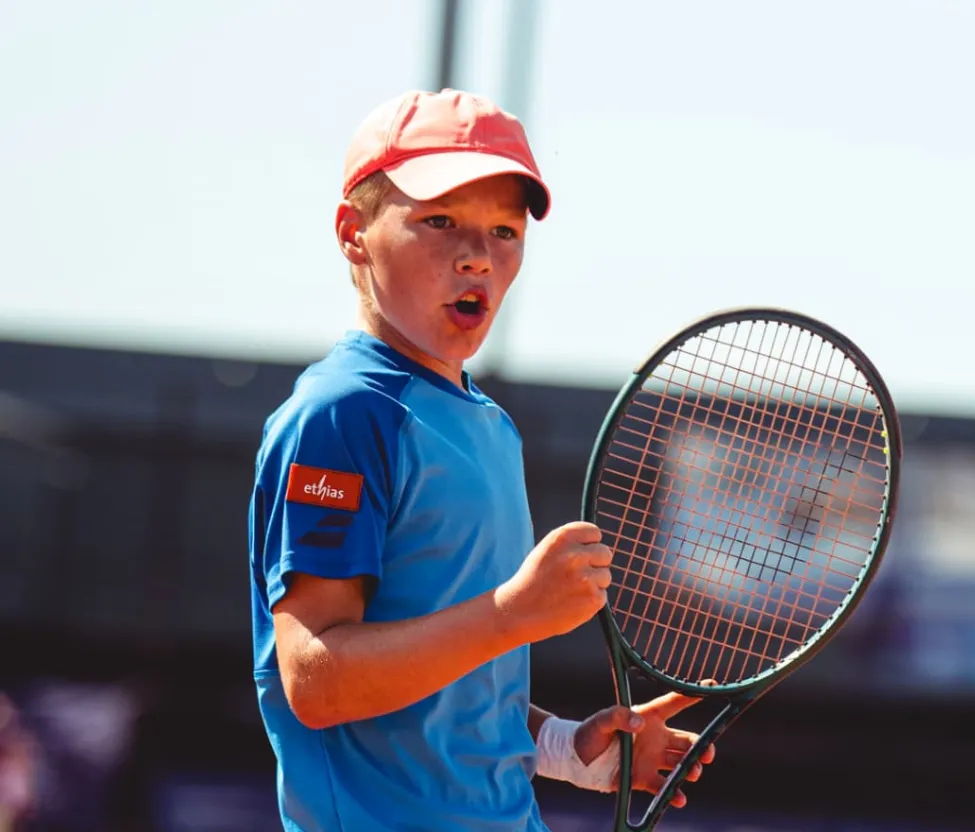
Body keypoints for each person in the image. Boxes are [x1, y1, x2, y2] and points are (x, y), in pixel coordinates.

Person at [246, 88, 715, 831]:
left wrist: (565, 748)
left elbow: (453, 682)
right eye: (439, 222)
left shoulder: (490, 426)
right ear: (352, 233)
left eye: (505, 231)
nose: (478, 256)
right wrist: (513, 614)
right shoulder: (340, 414)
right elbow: (317, 679)